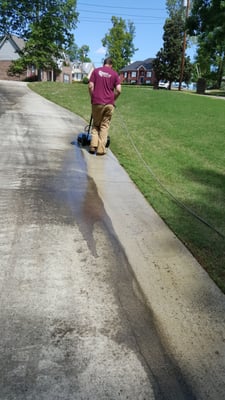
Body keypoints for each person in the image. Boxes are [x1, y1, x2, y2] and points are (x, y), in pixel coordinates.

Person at [88, 57, 121, 155]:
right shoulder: (114, 74)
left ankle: (93, 146)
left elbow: (90, 86)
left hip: (97, 102)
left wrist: (92, 97)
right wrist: (113, 99)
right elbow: (119, 90)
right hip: (109, 104)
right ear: (111, 65)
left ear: (104, 64)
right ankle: (101, 149)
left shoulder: (96, 71)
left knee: (96, 124)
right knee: (104, 125)